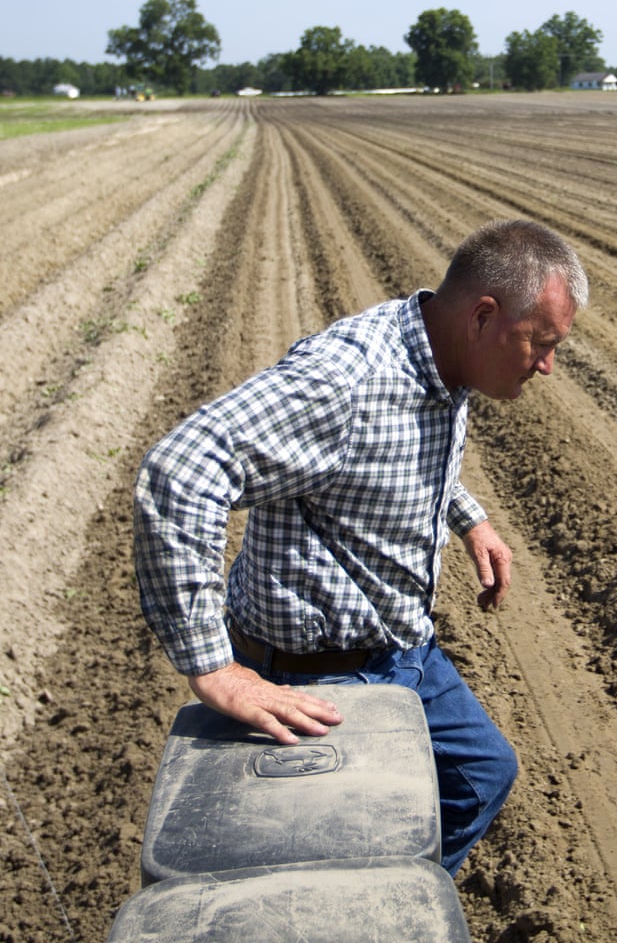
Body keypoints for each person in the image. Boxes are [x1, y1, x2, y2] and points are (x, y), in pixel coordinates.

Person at [133, 219, 588, 874]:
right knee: (339, 858)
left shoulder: (448, 361)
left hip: (401, 647)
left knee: (482, 775)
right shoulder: (345, 381)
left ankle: (406, 901)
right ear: (484, 317)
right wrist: (212, 666)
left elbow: (400, 457)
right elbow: (182, 470)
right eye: (539, 343)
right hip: (316, 673)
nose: (546, 365)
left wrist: (471, 520)